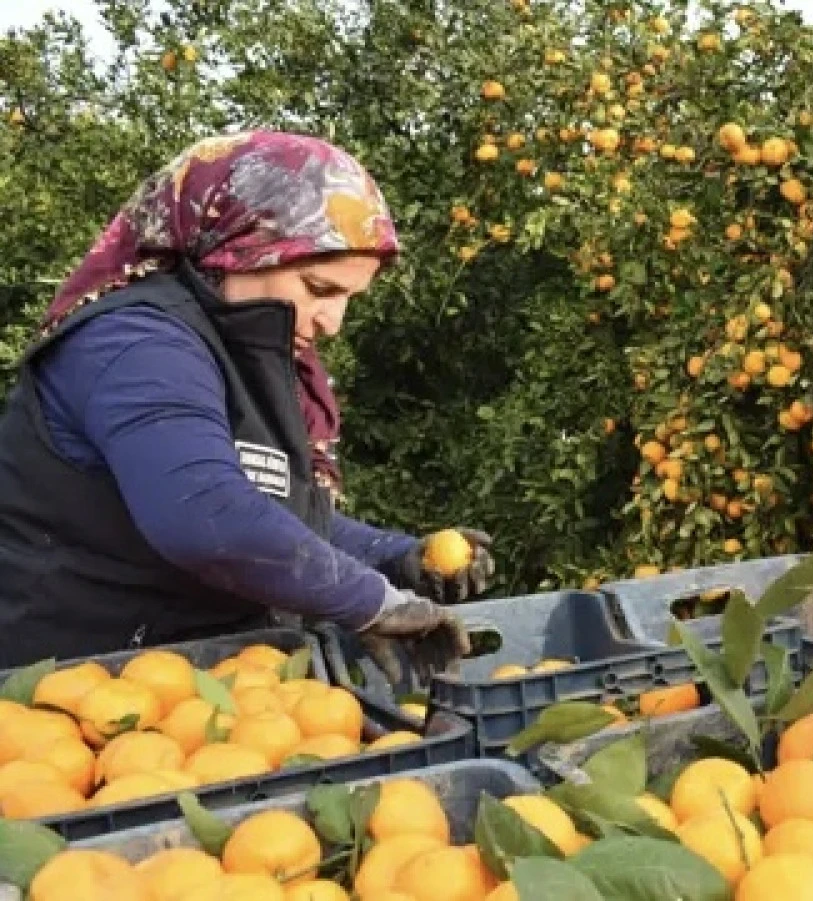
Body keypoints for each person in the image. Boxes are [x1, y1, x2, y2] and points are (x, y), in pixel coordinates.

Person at [0, 131, 493, 675]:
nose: (333, 323)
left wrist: (398, 559)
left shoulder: (247, 354)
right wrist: (370, 601)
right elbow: (206, 514)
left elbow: (284, 514)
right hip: (72, 694)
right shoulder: (134, 344)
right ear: (238, 249)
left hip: (204, 685)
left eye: (349, 298)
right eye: (319, 289)